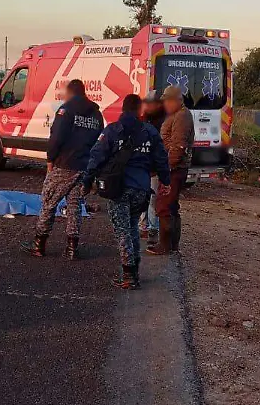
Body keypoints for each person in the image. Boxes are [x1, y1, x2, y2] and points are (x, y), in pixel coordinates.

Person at [83, 94, 171, 290]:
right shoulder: (149, 132)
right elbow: (162, 158)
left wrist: (87, 181)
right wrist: (166, 181)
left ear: (123, 109)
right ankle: (134, 271)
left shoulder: (113, 130)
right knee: (131, 227)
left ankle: (129, 276)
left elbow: (96, 157)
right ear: (140, 110)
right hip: (141, 189)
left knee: (123, 230)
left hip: (119, 189)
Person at [25, 79, 103, 259]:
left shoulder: (65, 111)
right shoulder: (97, 115)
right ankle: (71, 248)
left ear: (70, 93)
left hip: (64, 164)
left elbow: (56, 138)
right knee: (75, 205)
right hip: (84, 167)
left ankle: (39, 243)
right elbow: (99, 143)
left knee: (48, 201)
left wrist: (50, 159)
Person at [147, 85, 194, 256]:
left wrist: (165, 172)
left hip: (174, 169)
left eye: (167, 101)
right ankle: (172, 245)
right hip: (173, 168)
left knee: (164, 206)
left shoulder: (182, 116)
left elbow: (178, 147)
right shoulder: (177, 115)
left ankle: (165, 245)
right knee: (171, 206)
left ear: (175, 101)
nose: (164, 104)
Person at [138, 92, 166, 247]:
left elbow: (161, 149)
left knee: (153, 201)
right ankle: (143, 226)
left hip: (154, 169)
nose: (147, 106)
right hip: (144, 168)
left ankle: (153, 230)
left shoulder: (162, 122)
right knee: (143, 198)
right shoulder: (143, 119)